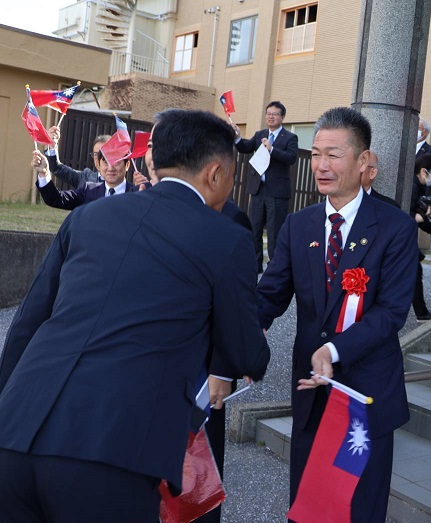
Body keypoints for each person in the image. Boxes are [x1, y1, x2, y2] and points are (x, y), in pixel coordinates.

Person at [0, 109, 270, 521]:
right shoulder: (226, 238)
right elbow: (246, 353)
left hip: (15, 431)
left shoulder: (88, 217)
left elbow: (26, 324)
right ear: (216, 173)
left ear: (152, 161)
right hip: (110, 454)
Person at [257, 107, 418, 522]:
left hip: (365, 394)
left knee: (357, 508)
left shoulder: (395, 227)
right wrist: (238, 334)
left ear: (363, 161)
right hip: (312, 394)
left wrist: (333, 350)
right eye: (316, 154)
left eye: (333, 154)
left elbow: (391, 312)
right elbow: (270, 296)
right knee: (308, 504)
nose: (321, 166)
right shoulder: (298, 225)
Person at [143, 126, 250, 523]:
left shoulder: (231, 219)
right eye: (150, 145)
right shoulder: (135, 207)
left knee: (193, 483)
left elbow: (236, 304)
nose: (152, 153)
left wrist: (224, 367)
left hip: (199, 376)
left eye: (158, 145)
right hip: (141, 368)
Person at [233, 101, 299, 272]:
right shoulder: (260, 134)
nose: (271, 117)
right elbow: (245, 148)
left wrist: (271, 149)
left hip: (277, 193)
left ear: (282, 117)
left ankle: (274, 268)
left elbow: (291, 158)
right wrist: (238, 137)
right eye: (268, 113)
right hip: (258, 189)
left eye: (275, 114)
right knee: (254, 229)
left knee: (274, 232)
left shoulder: (290, 137)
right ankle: (255, 266)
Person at [33, 146, 142, 210]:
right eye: (105, 162)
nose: (110, 168)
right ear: (98, 165)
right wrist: (44, 173)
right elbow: (56, 199)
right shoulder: (89, 190)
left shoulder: (138, 194)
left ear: (127, 165)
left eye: (116, 162)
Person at [46, 126, 148, 188]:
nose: (98, 158)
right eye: (96, 154)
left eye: (104, 155)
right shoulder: (85, 178)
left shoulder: (127, 189)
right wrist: (52, 146)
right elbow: (56, 168)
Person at [410, 153, 431, 321]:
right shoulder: (412, 187)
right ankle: (421, 312)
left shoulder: (418, 186)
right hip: (403, 240)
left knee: (415, 273)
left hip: (407, 240)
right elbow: (409, 216)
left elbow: (417, 216)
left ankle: (421, 312)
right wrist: (428, 217)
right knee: (414, 273)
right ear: (424, 171)